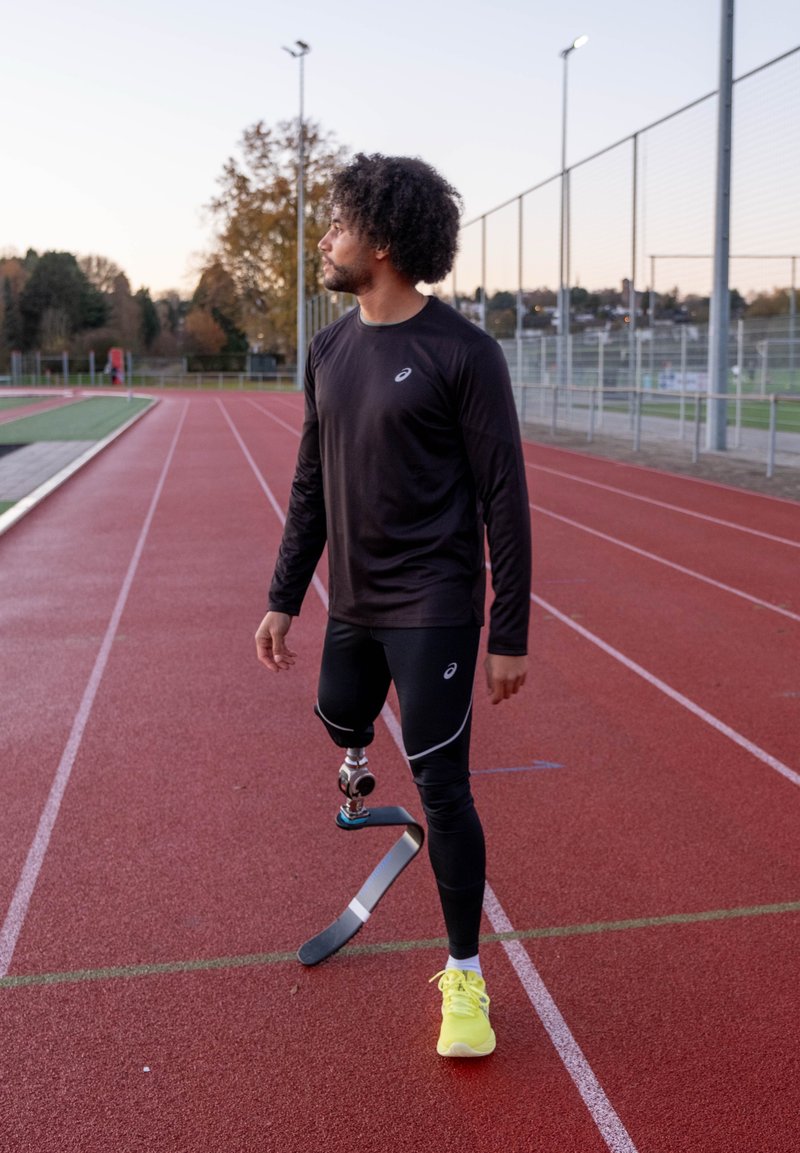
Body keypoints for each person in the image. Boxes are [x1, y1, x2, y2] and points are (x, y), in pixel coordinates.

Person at [255, 153, 531, 1058]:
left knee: (443, 786)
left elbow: (504, 496)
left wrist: (509, 634)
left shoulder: (463, 353)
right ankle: (357, 755)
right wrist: (283, 596)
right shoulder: (329, 349)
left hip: (438, 606)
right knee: (338, 710)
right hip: (355, 603)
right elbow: (307, 486)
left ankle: (466, 981)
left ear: (380, 241)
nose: (324, 238)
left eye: (337, 223)